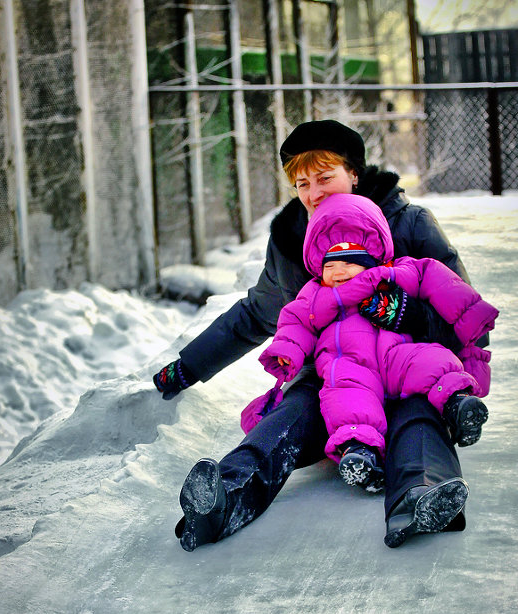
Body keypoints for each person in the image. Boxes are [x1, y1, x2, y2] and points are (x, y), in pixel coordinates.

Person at [152, 119, 493, 551]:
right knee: (289, 415)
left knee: (418, 417)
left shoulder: (409, 225)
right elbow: (256, 314)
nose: (314, 193)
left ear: (354, 173)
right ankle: (225, 499)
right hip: (336, 376)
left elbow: (464, 311)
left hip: (409, 368)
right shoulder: (295, 242)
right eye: (302, 183)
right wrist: (187, 366)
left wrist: (410, 317)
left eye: (325, 177)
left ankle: (422, 496)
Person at [253, 192, 497, 492]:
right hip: (350, 364)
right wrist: (286, 351)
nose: (338, 271)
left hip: (396, 355)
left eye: (347, 262)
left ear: (370, 261)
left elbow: (438, 281)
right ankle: (359, 452)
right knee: (346, 398)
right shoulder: (316, 294)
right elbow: (296, 321)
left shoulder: (397, 272)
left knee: (432, 361)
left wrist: (471, 315)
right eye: (329, 266)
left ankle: (458, 405)